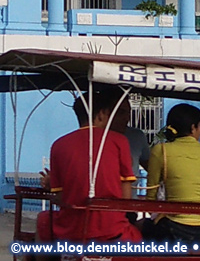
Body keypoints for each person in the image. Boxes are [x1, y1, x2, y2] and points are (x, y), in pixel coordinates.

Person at [37, 89, 142, 243]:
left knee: (43, 220)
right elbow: (125, 198)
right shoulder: (119, 141)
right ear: (101, 115)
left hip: (71, 228)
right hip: (112, 228)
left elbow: (60, 197)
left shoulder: (59, 145)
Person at [144, 103, 200, 243]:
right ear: (193, 128)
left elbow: (151, 194)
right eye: (199, 126)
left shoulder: (161, 150)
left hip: (173, 226)